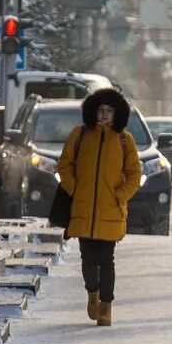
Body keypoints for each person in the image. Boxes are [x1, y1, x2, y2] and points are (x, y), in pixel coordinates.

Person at [57, 88, 141, 327]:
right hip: (82, 209)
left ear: (117, 114)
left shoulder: (125, 140)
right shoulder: (79, 135)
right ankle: (92, 293)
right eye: (100, 110)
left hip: (110, 211)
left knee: (107, 259)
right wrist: (75, 189)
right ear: (93, 111)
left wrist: (120, 196)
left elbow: (134, 174)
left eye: (109, 111)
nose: (104, 115)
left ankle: (106, 306)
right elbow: (65, 165)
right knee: (87, 259)